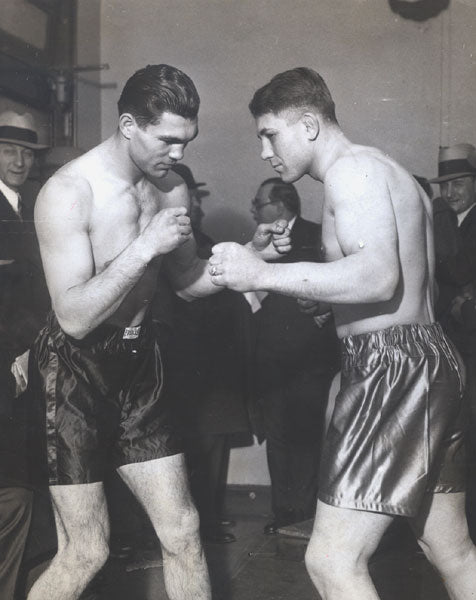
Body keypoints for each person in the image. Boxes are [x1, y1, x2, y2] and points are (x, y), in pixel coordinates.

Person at [207, 67, 476, 599]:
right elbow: (417, 293)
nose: (264, 151)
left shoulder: (351, 174)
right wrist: (319, 299)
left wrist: (258, 273)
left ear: (308, 125)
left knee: (332, 561)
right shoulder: (390, 172)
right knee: (451, 549)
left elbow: (377, 276)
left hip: (393, 370)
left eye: (269, 133)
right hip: (426, 359)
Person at [28, 64, 290, 600]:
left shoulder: (169, 190)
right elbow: (74, 316)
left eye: (186, 141)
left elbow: (190, 284)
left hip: (140, 364)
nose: (179, 155)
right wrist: (144, 246)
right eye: (167, 140)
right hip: (75, 369)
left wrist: (254, 256)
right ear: (128, 124)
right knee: (87, 551)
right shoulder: (68, 193)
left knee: (183, 530)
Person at [164, 164, 251, 544]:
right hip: (178, 362)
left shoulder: (204, 241)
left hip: (207, 363)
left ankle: (207, 521)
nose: (194, 205)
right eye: (189, 197)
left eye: (195, 197)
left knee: (207, 446)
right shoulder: (166, 244)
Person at [249, 178, 339, 534]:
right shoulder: (256, 243)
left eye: (259, 203)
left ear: (281, 206)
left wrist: (323, 310)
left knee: (304, 436)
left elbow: (335, 286)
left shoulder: (318, 238)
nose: (254, 210)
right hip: (271, 357)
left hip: (309, 357)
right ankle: (283, 512)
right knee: (277, 436)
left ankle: (302, 514)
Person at [0, 110, 49, 600]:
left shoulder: (33, 204)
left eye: (27, 153)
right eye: (9, 150)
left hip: (28, 356)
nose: (18, 160)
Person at [429, 143, 476, 541]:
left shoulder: (447, 220)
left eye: (459, 182)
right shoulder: (441, 219)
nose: (450, 192)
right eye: (444, 185)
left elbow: (457, 269)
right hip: (449, 345)